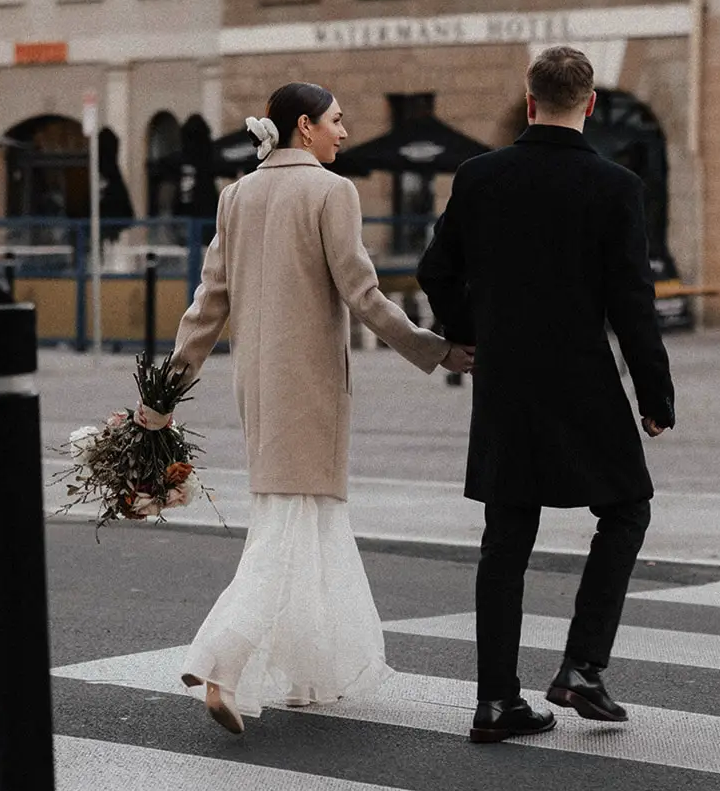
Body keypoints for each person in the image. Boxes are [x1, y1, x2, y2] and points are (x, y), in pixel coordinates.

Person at [170, 82, 474, 735]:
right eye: (337, 120)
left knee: (301, 521)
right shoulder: (332, 192)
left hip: (258, 385)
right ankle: (218, 662)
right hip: (308, 386)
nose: (344, 131)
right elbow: (363, 295)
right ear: (304, 126)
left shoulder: (237, 195)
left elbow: (207, 306)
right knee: (285, 526)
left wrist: (163, 390)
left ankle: (307, 675)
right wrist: (433, 348)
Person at [417, 45, 674, 744]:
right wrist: (655, 394)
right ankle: (582, 666)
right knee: (626, 509)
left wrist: (466, 335)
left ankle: (497, 701)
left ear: (529, 101)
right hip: (583, 378)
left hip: (505, 382)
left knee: (506, 536)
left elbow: (436, 269)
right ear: (589, 104)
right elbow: (632, 304)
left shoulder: (479, 176)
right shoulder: (616, 186)